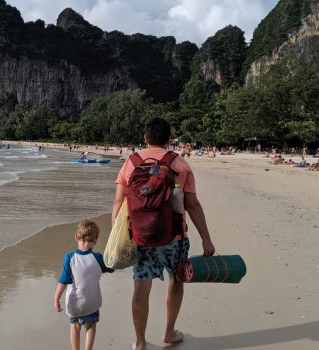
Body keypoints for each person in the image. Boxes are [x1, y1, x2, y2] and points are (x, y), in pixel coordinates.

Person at [112, 117, 215, 349]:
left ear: (145, 138)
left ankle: (139, 341)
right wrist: (206, 239)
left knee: (141, 285)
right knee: (176, 280)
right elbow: (193, 205)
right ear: (169, 140)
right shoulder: (180, 165)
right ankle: (169, 332)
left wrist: (118, 239)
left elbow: (118, 204)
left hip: (140, 237)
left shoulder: (131, 163)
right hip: (175, 238)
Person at [54, 219, 114, 350]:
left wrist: (56, 299)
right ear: (96, 240)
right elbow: (112, 266)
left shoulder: (70, 257)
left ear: (76, 237)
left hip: (74, 304)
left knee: (74, 327)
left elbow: (63, 281)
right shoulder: (98, 258)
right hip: (91, 303)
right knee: (90, 326)